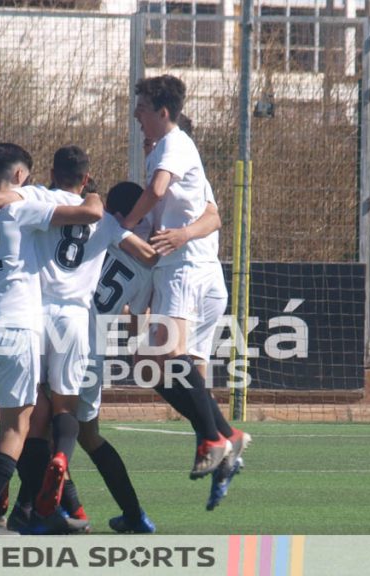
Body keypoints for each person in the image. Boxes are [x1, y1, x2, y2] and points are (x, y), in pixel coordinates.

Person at [0, 146, 158, 534]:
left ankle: (33, 506)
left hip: (37, 317)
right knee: (78, 426)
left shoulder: (43, 200)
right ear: (87, 177)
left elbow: (5, 206)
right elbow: (145, 257)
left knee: (29, 419)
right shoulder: (111, 228)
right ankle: (68, 490)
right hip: (83, 332)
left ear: (51, 171)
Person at [0, 142, 104, 535]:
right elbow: (90, 211)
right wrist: (92, 192)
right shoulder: (23, 205)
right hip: (15, 325)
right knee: (17, 427)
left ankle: (42, 509)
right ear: (22, 176)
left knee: (33, 415)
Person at [121, 74, 250, 483]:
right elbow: (212, 214)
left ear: (162, 112)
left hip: (186, 274)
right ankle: (223, 437)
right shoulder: (178, 155)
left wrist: (126, 223)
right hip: (201, 274)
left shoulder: (173, 147)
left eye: (142, 108)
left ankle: (216, 438)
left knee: (159, 363)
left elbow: (157, 190)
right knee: (181, 369)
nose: (136, 116)